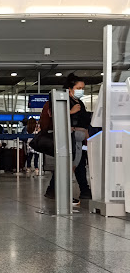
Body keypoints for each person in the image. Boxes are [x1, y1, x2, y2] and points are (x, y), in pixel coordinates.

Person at [42, 73, 91, 202]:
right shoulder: (63, 101)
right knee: (68, 164)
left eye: (83, 88)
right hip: (67, 138)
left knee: (78, 163)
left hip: (78, 138)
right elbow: (57, 117)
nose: (81, 91)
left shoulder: (79, 102)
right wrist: (71, 111)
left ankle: (82, 190)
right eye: (78, 88)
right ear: (70, 89)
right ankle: (61, 191)